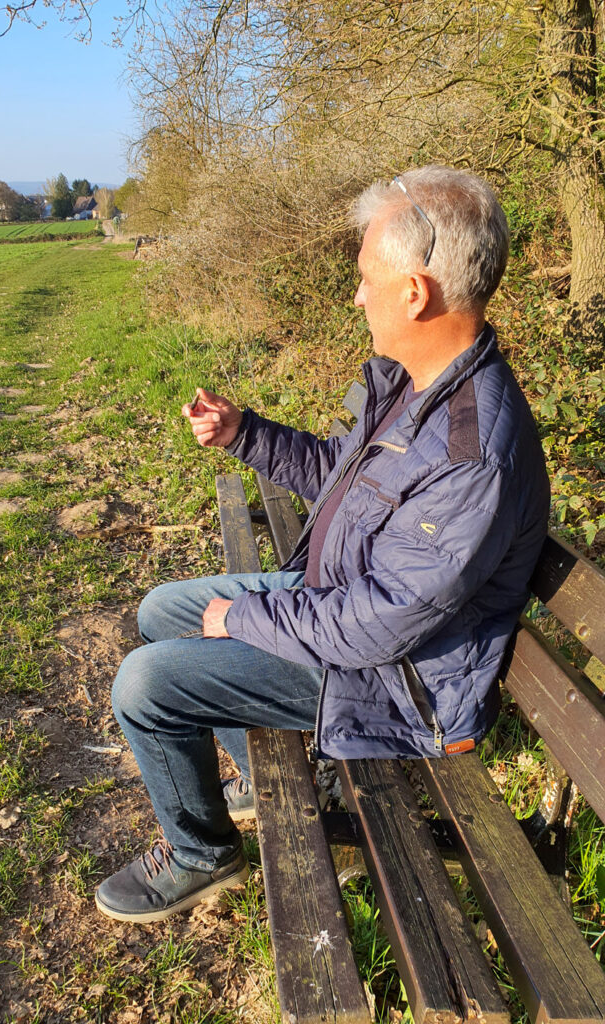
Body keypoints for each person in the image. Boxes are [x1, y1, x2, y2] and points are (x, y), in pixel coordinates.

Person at [94, 165, 550, 924]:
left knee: (145, 684)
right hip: (342, 607)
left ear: (416, 292)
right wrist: (245, 434)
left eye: (367, 278)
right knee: (162, 610)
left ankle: (203, 855)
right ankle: (255, 770)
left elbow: (382, 624)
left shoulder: (472, 454)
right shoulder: (416, 384)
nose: (358, 296)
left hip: (397, 682)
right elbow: (341, 481)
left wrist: (247, 619)